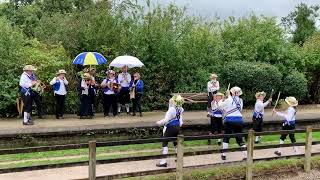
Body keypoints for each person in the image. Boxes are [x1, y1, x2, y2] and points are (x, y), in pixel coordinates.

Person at [156, 95, 184, 167]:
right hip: (177, 127)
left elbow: (166, 120)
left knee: (164, 143)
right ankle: (178, 158)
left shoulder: (171, 110)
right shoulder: (180, 109)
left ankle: (163, 162)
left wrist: (159, 123)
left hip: (170, 127)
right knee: (175, 143)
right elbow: (181, 121)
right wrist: (177, 126)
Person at [219, 86, 246, 161]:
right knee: (239, 139)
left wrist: (223, 99)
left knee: (226, 137)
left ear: (232, 92)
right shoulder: (241, 100)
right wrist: (228, 97)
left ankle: (224, 155)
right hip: (239, 121)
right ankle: (246, 155)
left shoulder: (229, 99)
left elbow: (220, 106)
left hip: (230, 120)